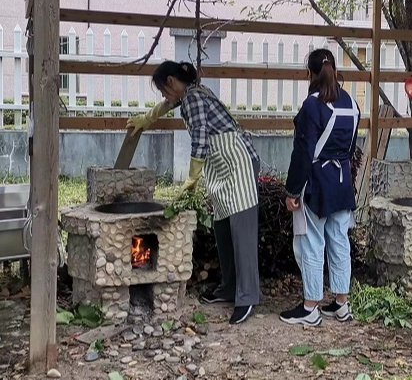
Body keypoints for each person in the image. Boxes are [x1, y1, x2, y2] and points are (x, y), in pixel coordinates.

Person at [127, 61, 261, 325]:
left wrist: (192, 174)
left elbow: (200, 135)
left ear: (171, 82)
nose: (165, 97)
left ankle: (247, 297)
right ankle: (230, 287)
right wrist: (146, 119)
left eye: (164, 91)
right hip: (223, 168)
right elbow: (166, 106)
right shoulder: (188, 94)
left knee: (242, 233)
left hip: (238, 163)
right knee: (223, 229)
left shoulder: (193, 98)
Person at [280, 49, 360, 327]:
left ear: (310, 73)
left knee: (311, 243)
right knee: (340, 241)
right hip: (342, 182)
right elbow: (351, 148)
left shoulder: (312, 106)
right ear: (335, 70)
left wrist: (292, 191)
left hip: (316, 183)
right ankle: (341, 304)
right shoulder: (351, 103)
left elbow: (303, 151)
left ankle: (310, 307)